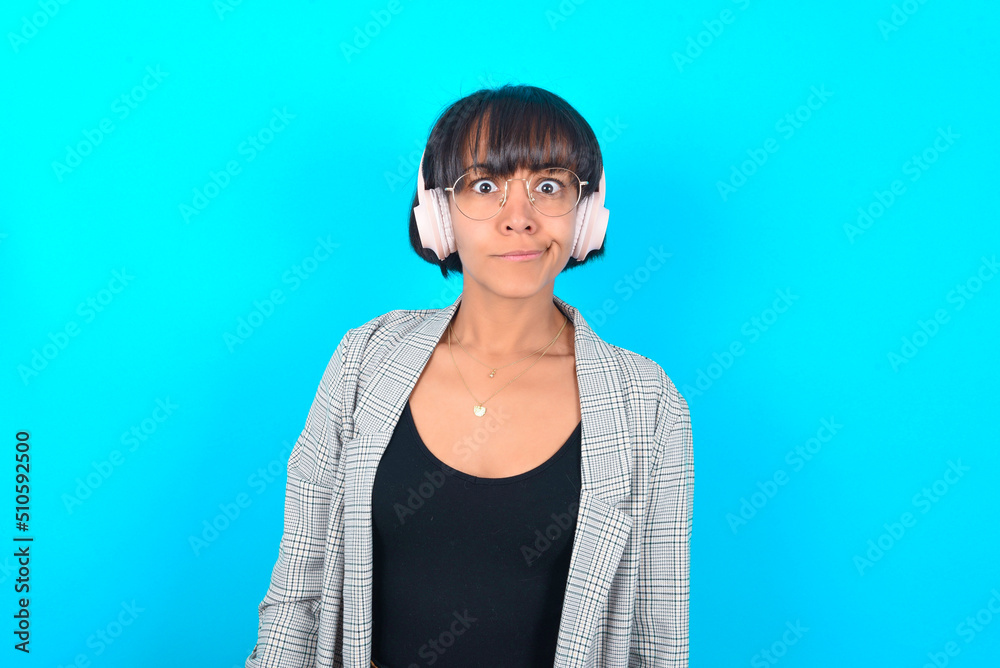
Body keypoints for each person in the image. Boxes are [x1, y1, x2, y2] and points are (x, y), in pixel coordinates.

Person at [246, 84, 693, 668]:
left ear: (585, 213)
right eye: (484, 186)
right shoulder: (365, 358)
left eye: (549, 187)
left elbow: (657, 634)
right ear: (438, 215)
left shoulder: (648, 403)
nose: (519, 219)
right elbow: (297, 593)